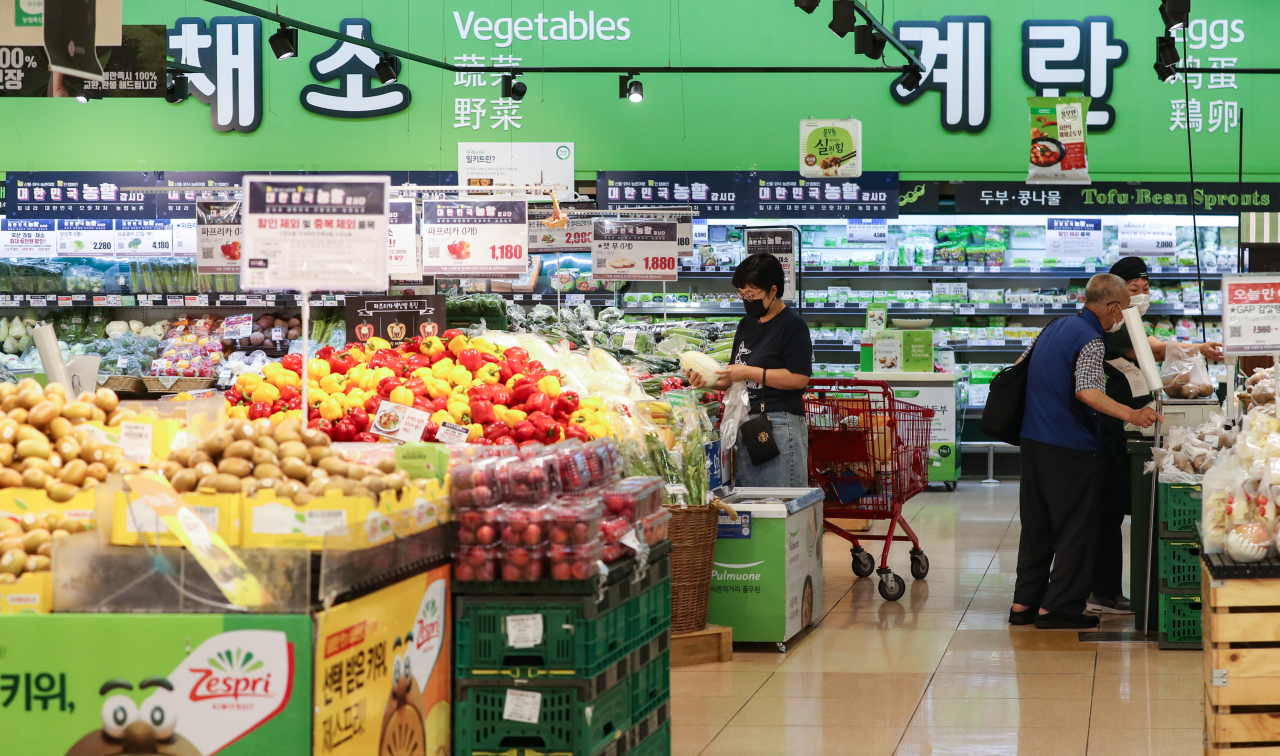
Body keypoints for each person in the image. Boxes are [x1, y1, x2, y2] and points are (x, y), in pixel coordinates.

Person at [1010, 273, 1163, 630]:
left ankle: (1024, 604)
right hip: (1070, 446)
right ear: (1111, 308)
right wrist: (1133, 414)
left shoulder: (1054, 326)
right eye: (1123, 310)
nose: (1122, 317)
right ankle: (1059, 608)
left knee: (1037, 528)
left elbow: (1021, 368)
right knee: (1077, 528)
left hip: (1034, 442)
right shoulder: (1092, 339)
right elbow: (1087, 391)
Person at [1088, 257, 1222, 615]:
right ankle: (1103, 591)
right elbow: (1149, 349)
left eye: (1145, 289)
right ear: (1116, 292)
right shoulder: (1116, 322)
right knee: (1110, 507)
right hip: (1113, 422)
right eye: (1134, 289)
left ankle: (1102, 588)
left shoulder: (1130, 317)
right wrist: (1199, 349)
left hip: (1128, 421)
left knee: (1113, 505)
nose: (1141, 295)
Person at [685, 253, 812, 487]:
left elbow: (798, 379)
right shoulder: (746, 324)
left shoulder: (793, 326)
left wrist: (749, 372)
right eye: (742, 294)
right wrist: (704, 381)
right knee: (755, 504)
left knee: (779, 504)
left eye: (751, 295)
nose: (746, 300)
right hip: (748, 423)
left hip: (779, 425)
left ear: (773, 291)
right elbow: (732, 378)